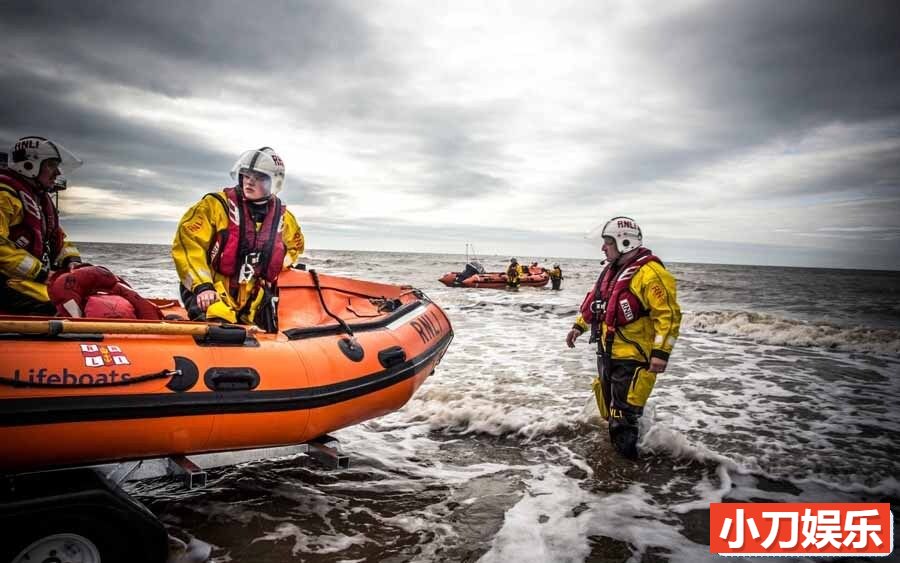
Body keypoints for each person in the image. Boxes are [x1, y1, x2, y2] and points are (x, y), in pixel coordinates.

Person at [566, 217, 681, 460]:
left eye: (607, 242)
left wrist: (660, 354)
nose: (603, 248)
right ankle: (619, 460)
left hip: (632, 359)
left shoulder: (651, 275)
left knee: (623, 416)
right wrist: (579, 326)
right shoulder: (612, 272)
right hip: (608, 354)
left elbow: (668, 316)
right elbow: (597, 305)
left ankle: (627, 470)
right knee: (610, 411)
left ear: (624, 242)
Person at [172, 147, 304, 332]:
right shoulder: (214, 206)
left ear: (274, 183)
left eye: (258, 178)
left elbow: (295, 248)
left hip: (251, 296)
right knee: (221, 332)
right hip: (211, 290)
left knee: (269, 333)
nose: (249, 182)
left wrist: (275, 271)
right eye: (246, 175)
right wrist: (203, 286)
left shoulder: (284, 219)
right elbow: (188, 245)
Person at [0, 136, 83, 315]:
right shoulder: (5, 197)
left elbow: (57, 238)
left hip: (30, 277)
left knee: (80, 297)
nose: (57, 173)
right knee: (58, 307)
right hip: (7, 279)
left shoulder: (39, 201)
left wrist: (72, 261)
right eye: (51, 165)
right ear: (30, 166)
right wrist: (42, 273)